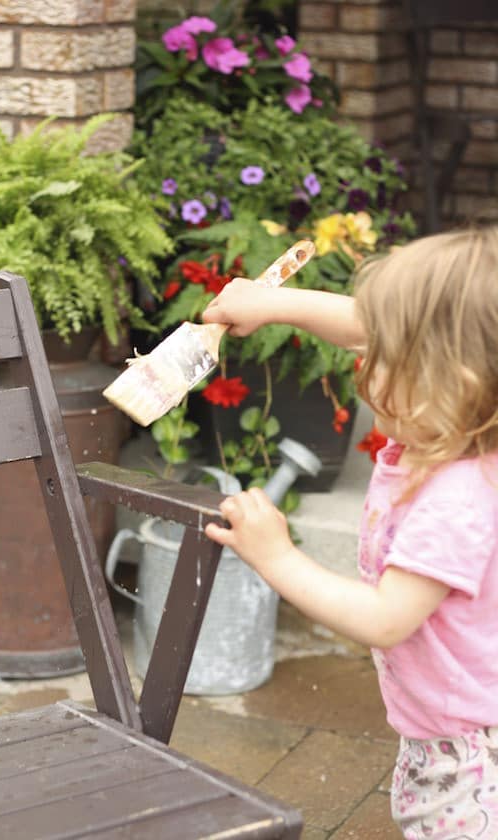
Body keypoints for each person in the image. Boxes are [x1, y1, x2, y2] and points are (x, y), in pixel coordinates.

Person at [201, 226, 498, 839]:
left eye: (380, 355)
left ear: (452, 380)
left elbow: (386, 618)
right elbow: (365, 320)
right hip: (451, 728)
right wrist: (272, 303)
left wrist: (276, 557)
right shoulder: (449, 426)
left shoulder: (457, 498)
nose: (361, 358)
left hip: (471, 758)